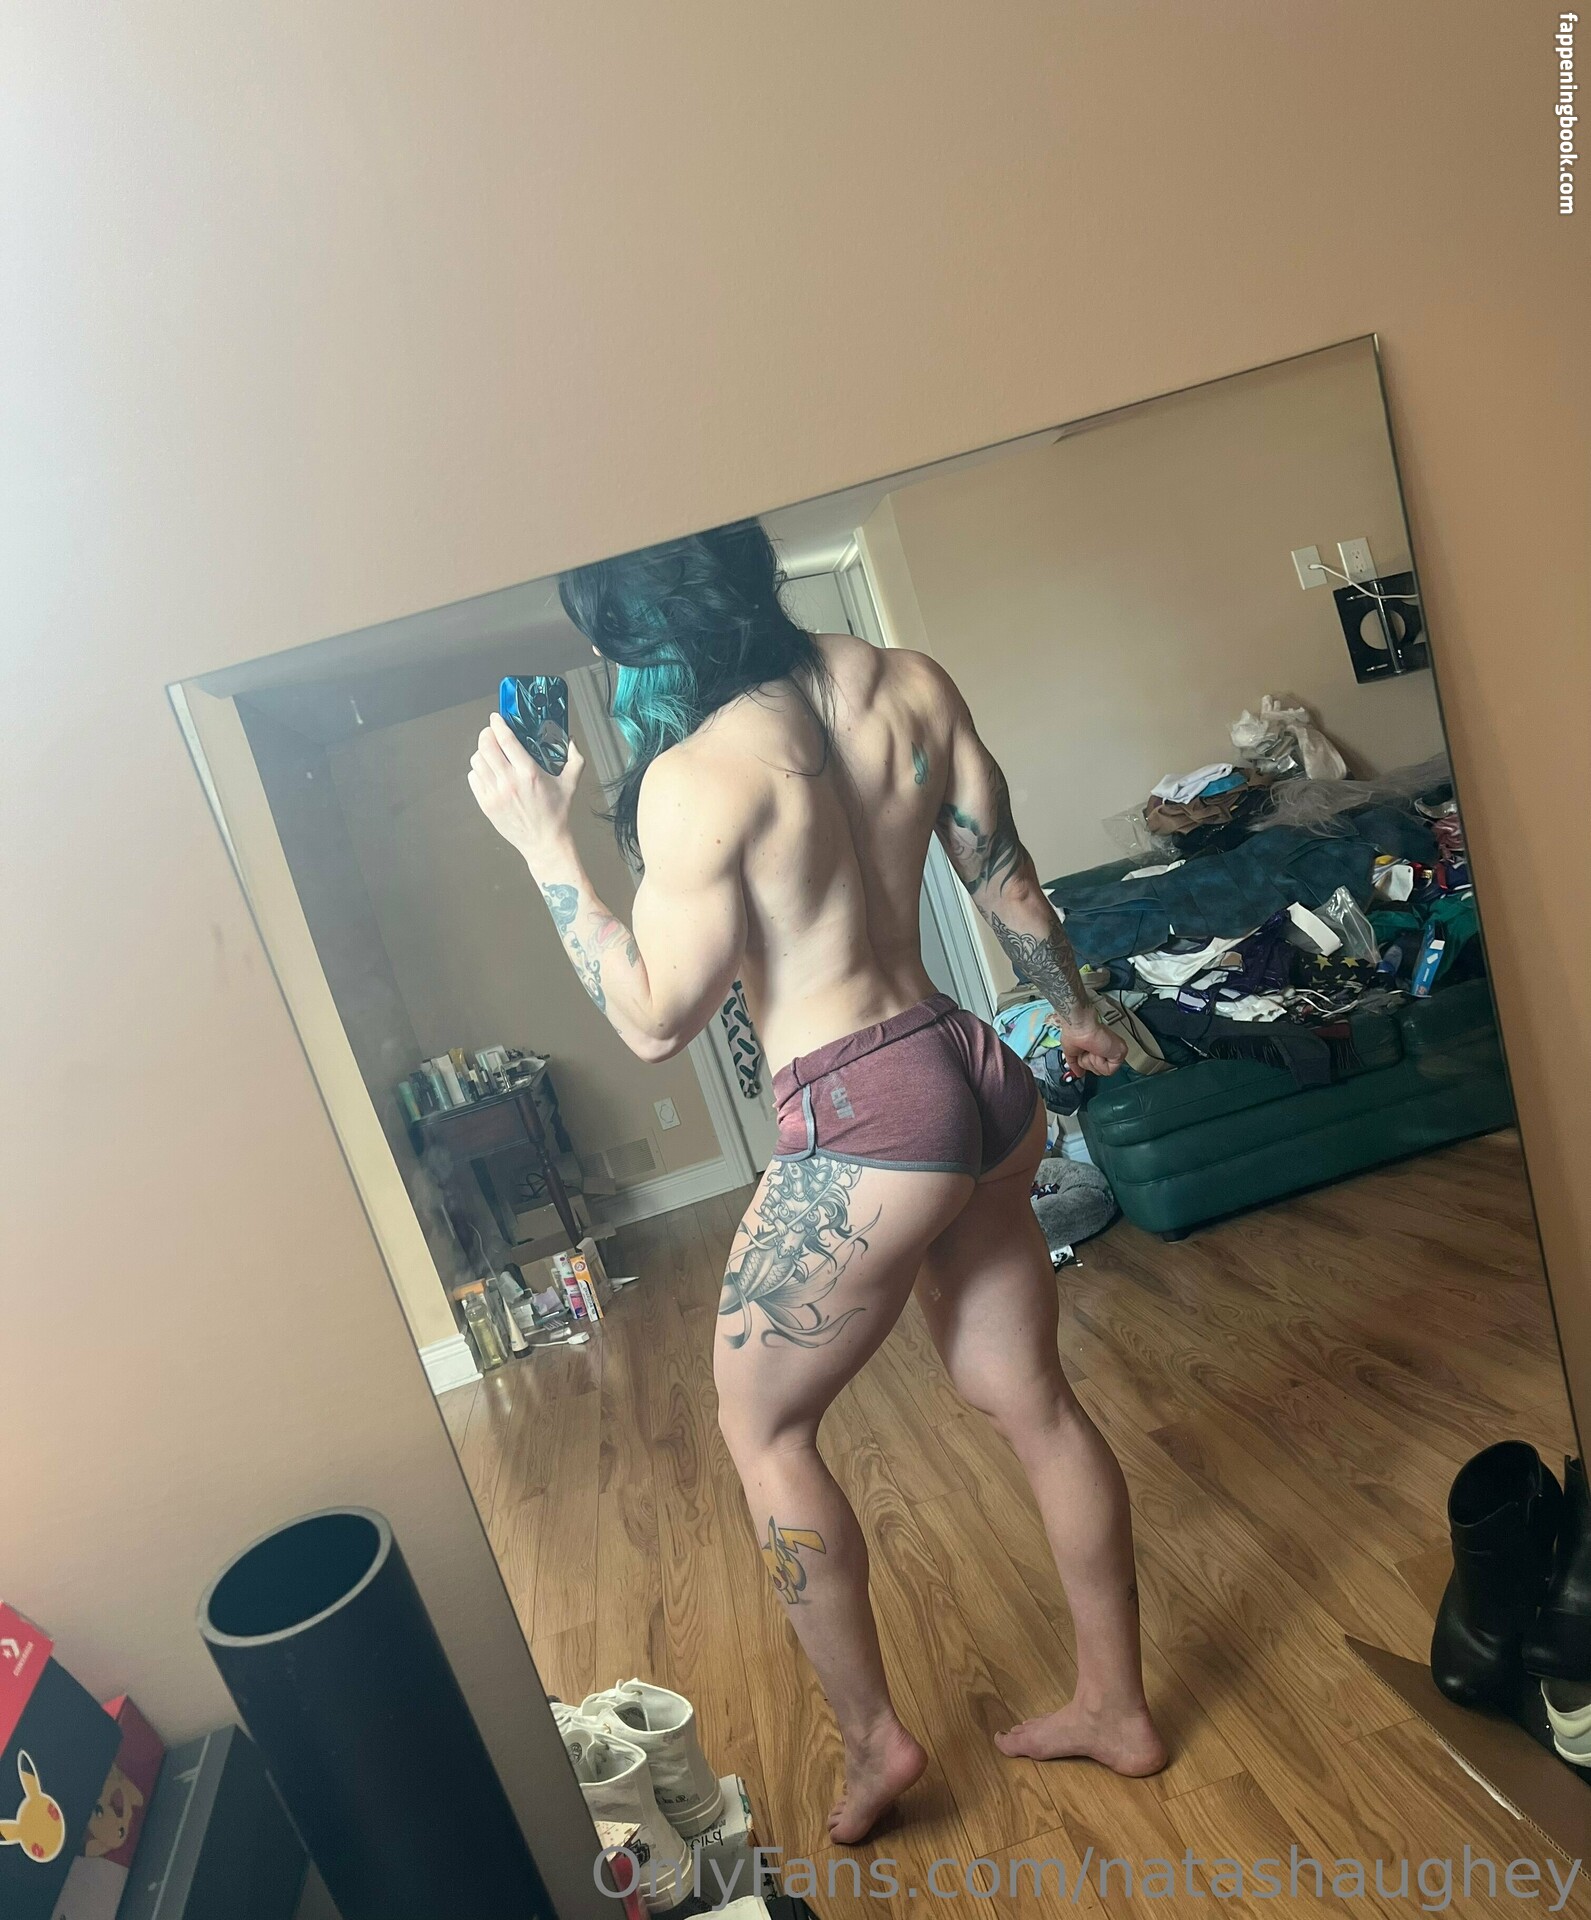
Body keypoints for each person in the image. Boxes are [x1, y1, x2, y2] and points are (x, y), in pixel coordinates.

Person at [467, 519, 1166, 1844]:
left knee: (766, 1433)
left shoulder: (697, 778)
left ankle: (873, 1744)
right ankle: (1117, 1708)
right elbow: (1004, 876)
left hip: (863, 1110)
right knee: (1034, 1402)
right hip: (974, 1071)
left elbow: (655, 1019)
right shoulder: (907, 682)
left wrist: (546, 849)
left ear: (634, 641)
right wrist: (1075, 1010)